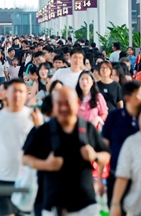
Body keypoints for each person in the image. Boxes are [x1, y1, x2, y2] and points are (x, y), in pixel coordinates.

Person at [22, 87, 110, 216]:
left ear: (77, 103)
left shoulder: (87, 128)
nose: (63, 108)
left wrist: (94, 156)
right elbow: (25, 159)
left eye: (67, 103)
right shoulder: (44, 130)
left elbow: (106, 155)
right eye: (59, 103)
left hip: (86, 205)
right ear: (54, 105)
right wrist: (46, 165)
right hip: (53, 205)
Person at [0, 79, 41, 216]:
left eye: (21, 91)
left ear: (26, 94)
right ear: (7, 93)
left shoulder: (34, 117)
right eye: (14, 91)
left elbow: (42, 147)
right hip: (2, 177)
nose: (17, 95)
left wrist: (38, 127)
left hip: (26, 178)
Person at [101, 81, 141, 210]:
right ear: (127, 98)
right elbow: (104, 147)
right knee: (115, 209)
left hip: (140, 178)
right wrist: (100, 178)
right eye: (140, 95)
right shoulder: (114, 116)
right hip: (116, 173)